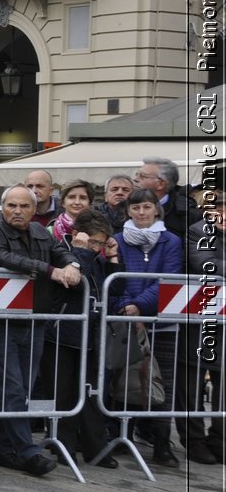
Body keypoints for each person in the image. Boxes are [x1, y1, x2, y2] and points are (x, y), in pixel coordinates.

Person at [0, 185, 83, 476]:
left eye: (24, 206)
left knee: (22, 388)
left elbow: (61, 252)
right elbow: (3, 257)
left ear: (34, 208)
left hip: (36, 320)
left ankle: (0, 448)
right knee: (11, 388)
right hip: (1, 321)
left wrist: (72, 264)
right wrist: (51, 271)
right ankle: (28, 452)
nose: (17, 211)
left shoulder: (41, 232)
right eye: (11, 205)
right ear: (3, 208)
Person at [112, 187, 185, 467]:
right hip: (125, 321)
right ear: (128, 211)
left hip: (162, 322)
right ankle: (122, 435)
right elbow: (116, 277)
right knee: (125, 381)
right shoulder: (117, 240)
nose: (141, 213)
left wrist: (140, 306)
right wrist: (129, 307)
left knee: (161, 382)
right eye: (135, 208)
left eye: (146, 207)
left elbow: (168, 278)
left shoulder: (171, 241)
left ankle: (162, 443)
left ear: (157, 209)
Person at [50, 209, 123, 468]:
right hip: (65, 332)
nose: (97, 247)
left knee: (93, 393)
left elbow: (114, 287)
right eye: (94, 241)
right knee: (66, 393)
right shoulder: (63, 252)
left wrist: (113, 257)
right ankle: (65, 447)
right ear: (77, 234)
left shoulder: (98, 256)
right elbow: (77, 282)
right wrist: (82, 252)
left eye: (101, 243)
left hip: (92, 333)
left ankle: (96, 448)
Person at [181, 197, 225, 464]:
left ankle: (220, 439)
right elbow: (207, 265)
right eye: (218, 208)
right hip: (201, 318)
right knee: (192, 381)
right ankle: (194, 440)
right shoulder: (198, 231)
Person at [136, 157, 202, 241]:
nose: (136, 179)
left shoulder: (188, 215)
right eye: (137, 174)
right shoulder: (125, 208)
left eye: (142, 176)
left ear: (160, 184)